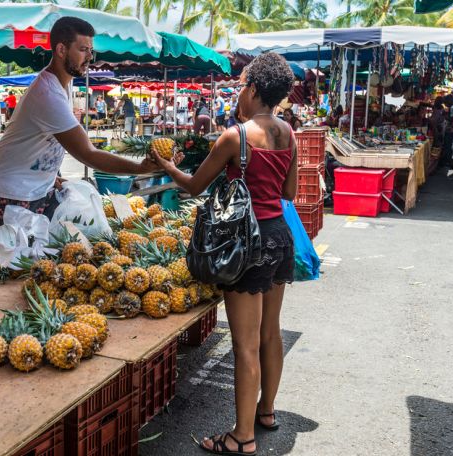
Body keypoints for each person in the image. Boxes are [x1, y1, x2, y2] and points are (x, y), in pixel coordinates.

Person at [152, 52, 297, 456]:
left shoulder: (235, 136)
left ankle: (242, 437)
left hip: (245, 244)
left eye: (240, 85)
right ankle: (266, 412)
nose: (237, 92)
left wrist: (166, 164)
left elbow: (195, 186)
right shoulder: (288, 132)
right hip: (279, 238)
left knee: (245, 344)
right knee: (271, 333)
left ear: (253, 89)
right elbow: (288, 193)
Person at [0, 17, 165, 240]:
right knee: (11, 265)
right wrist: (140, 168)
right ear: (61, 49)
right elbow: (88, 153)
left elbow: (47, 141)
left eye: (91, 50)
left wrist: (50, 176)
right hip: (9, 193)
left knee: (36, 262)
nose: (90, 57)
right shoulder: (47, 94)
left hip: (34, 189)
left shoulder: (62, 85)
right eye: (83, 49)